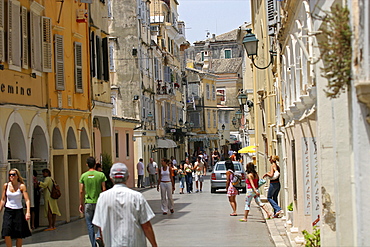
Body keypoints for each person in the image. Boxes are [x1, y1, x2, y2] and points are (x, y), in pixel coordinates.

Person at [92, 163, 157, 247]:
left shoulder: (102, 198)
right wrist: (154, 245)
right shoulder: (137, 197)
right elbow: (146, 225)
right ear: (127, 177)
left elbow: (100, 225)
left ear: (111, 178)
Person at [79, 157, 107, 247]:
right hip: (98, 203)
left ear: (87, 164)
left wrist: (81, 203)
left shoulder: (83, 176)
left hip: (88, 202)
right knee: (101, 222)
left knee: (89, 224)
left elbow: (81, 191)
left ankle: (93, 245)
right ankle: (99, 235)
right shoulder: (101, 175)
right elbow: (104, 189)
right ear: (95, 164)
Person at [0, 168, 31, 247]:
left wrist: (28, 212)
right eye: (10, 174)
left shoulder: (21, 186)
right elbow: (3, 200)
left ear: (17, 176)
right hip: (8, 210)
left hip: (18, 211)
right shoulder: (6, 185)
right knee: (6, 231)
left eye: (13, 174)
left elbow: (27, 200)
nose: (11, 176)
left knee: (18, 233)